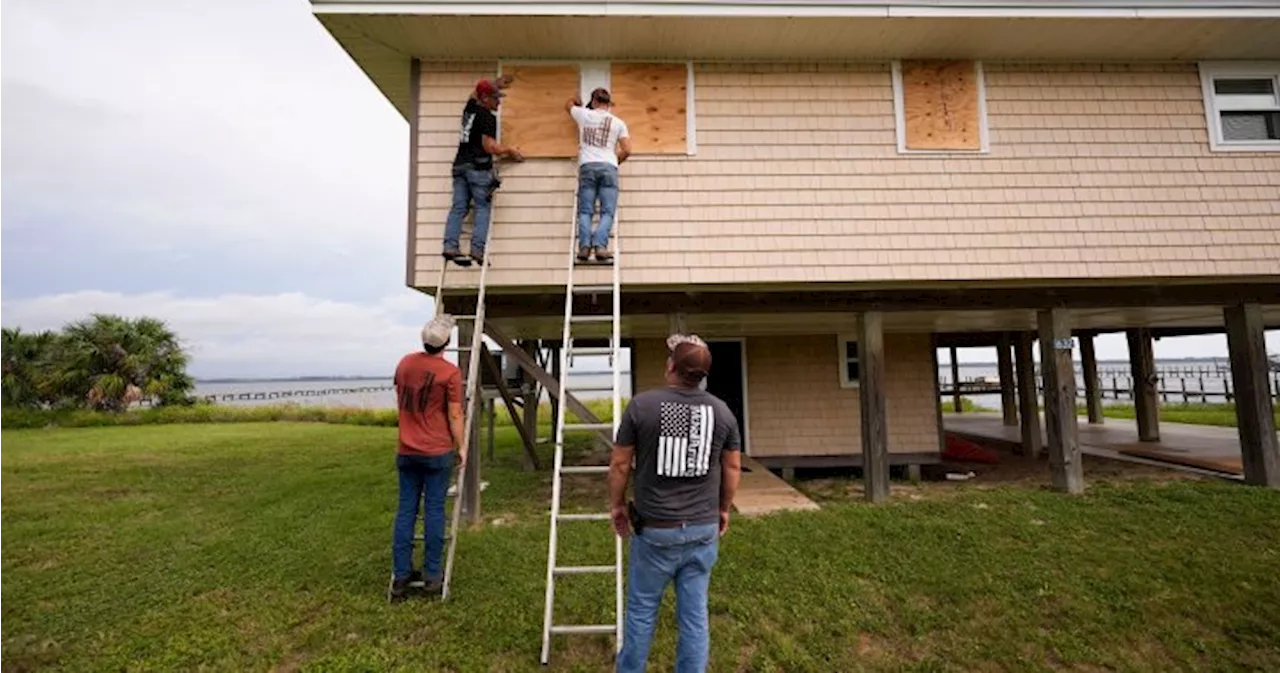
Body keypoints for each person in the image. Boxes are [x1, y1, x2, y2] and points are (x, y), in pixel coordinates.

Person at [608, 334, 743, 672]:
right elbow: (733, 466)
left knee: (641, 611)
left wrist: (617, 505)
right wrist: (723, 508)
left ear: (671, 366)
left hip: (655, 531)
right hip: (702, 530)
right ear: (702, 375)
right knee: (695, 617)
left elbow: (620, 463)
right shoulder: (723, 412)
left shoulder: (642, 405)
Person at [388, 314, 468, 601]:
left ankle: (401, 575)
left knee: (406, 511)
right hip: (436, 450)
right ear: (446, 342)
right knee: (434, 511)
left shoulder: (405, 363)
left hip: (406, 450)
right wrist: (461, 446)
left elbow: (401, 393)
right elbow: (455, 413)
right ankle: (433, 575)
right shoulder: (449, 373)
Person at [443, 79, 524, 267]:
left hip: (460, 166)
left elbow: (473, 94)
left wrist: (495, 84)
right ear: (485, 98)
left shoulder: (469, 109)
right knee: (482, 207)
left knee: (459, 208)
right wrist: (509, 150)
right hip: (478, 169)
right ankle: (477, 250)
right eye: (495, 98)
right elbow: (489, 146)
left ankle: (450, 246)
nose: (499, 102)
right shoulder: (487, 117)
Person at [566, 88, 631, 264]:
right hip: (609, 166)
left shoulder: (584, 115)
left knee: (586, 210)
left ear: (593, 101)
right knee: (607, 211)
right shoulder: (618, 123)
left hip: (587, 166)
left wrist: (576, 100)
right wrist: (615, 162)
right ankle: (600, 247)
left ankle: (585, 247)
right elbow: (627, 150)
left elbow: (568, 105)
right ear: (608, 104)